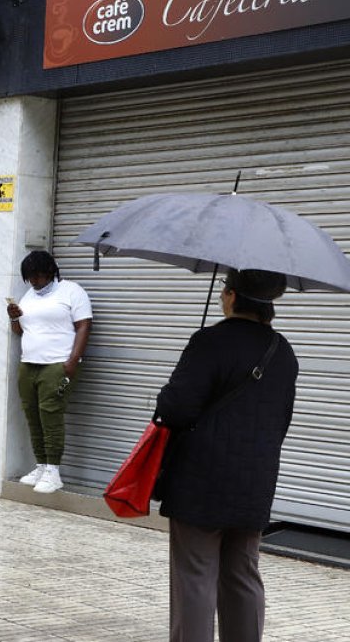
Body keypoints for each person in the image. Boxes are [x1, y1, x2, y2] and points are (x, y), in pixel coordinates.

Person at [154, 269, 297, 642]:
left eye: (223, 290)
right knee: (243, 574)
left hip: (201, 479)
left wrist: (168, 392)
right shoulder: (283, 350)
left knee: (196, 575)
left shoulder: (209, 341)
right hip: (256, 480)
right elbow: (281, 421)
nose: (221, 296)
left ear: (233, 296)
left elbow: (176, 409)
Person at [6, 249, 92, 494]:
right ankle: (41, 465)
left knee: (50, 415)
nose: (34, 281)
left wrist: (72, 361)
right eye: (29, 277)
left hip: (57, 365)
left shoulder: (72, 292)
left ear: (50, 272)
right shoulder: (29, 296)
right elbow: (20, 331)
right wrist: (13, 318)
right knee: (32, 415)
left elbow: (84, 325)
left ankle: (54, 471)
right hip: (29, 363)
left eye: (37, 276)